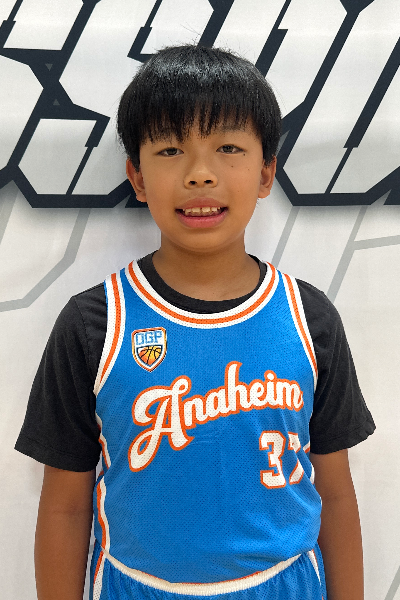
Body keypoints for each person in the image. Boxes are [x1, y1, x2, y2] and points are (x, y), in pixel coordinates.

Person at [15, 44, 375, 600]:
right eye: (170, 149)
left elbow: (336, 492)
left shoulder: (309, 319)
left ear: (265, 172)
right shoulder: (94, 324)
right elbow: (64, 505)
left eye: (228, 147)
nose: (200, 174)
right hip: (137, 586)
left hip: (286, 585)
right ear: (137, 177)